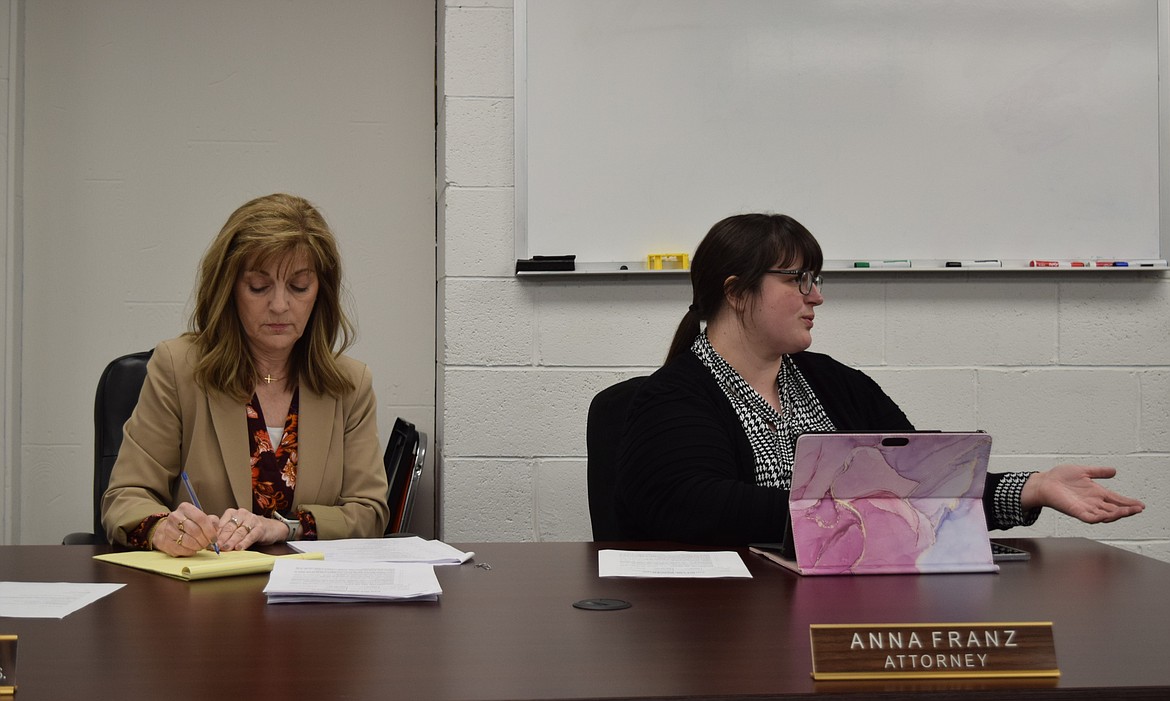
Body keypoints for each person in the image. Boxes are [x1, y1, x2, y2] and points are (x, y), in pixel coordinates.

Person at [615, 213, 1145, 545]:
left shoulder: (836, 383)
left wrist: (1030, 488)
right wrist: (867, 509)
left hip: (851, 603)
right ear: (736, 292)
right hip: (730, 626)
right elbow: (691, 508)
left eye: (816, 280)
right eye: (798, 279)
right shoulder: (673, 398)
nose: (815, 296)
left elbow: (916, 482)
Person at [101, 193, 389, 555]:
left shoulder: (350, 385)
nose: (280, 305)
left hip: (310, 600)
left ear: (321, 293)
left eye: (299, 287)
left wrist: (284, 528)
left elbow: (369, 512)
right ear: (230, 288)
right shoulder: (178, 367)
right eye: (258, 286)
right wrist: (163, 527)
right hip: (205, 594)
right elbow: (126, 497)